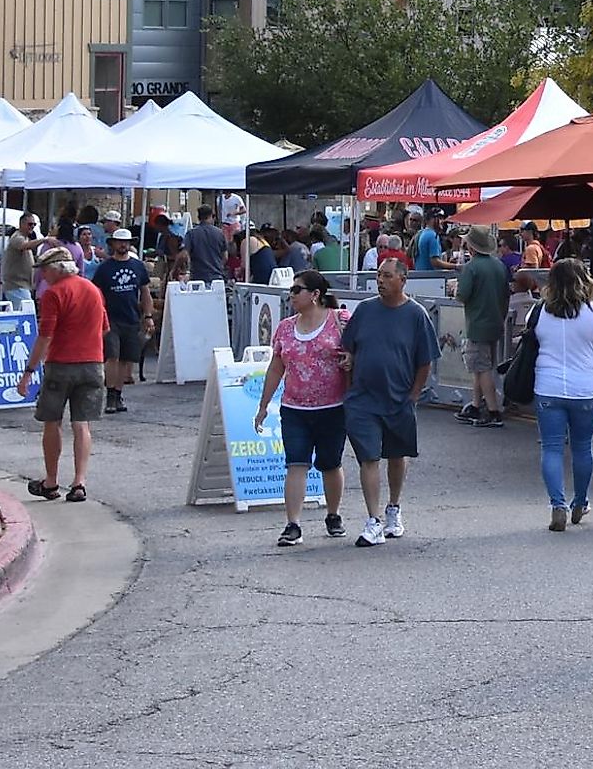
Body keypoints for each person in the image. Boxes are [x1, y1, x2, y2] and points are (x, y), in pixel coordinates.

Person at [338, 252, 437, 546]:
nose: (380, 281)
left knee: (396, 455)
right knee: (368, 457)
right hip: (363, 399)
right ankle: (373, 520)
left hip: (398, 398)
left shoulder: (416, 314)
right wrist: (348, 366)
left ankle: (394, 508)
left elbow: (425, 360)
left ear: (402, 280)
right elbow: (350, 348)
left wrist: (414, 395)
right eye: (378, 275)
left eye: (387, 276)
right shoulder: (366, 310)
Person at [253, 270, 349, 546]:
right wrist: (263, 406)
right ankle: (293, 523)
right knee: (296, 463)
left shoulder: (340, 320)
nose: (291, 295)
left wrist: (350, 361)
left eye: (297, 290)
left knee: (330, 463)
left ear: (315, 295)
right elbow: (276, 367)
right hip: (294, 407)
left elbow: (357, 351)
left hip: (332, 406)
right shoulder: (285, 327)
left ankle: (333, 514)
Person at [531, 257, 593, 531]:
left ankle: (557, 504)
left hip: (548, 386)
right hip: (585, 388)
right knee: (582, 447)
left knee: (552, 447)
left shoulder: (541, 310)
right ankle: (580, 500)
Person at [23, 246, 108, 501]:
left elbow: (45, 336)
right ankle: (79, 482)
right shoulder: (93, 289)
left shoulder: (54, 294)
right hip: (93, 364)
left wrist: (28, 371)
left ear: (56, 269)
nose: (42, 276)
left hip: (61, 365)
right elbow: (104, 328)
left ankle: (51, 481)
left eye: (44, 271)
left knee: (52, 421)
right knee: (82, 423)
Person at [88, 227, 151, 413]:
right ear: (113, 244)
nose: (123, 245)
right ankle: (110, 396)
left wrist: (148, 315)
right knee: (112, 357)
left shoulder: (138, 266)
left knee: (125, 358)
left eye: (126, 242)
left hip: (131, 317)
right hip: (110, 319)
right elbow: (96, 293)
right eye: (120, 241)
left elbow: (145, 292)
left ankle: (118, 393)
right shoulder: (105, 268)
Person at [456, 225, 510, 429]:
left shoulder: (472, 267)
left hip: (477, 323)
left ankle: (493, 411)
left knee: (482, 368)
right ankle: (476, 405)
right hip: (496, 321)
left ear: (471, 246)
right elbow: (506, 293)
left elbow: (462, 295)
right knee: (482, 367)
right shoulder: (499, 265)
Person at [1, 213, 43, 308]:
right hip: (16, 286)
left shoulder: (26, 238)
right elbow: (24, 246)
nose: (32, 226)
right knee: (27, 311)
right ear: (21, 224)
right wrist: (44, 240)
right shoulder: (17, 237)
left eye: (34, 224)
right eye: (30, 224)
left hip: (23, 286)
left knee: (18, 314)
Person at [183, 214, 230, 292]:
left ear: (198, 218)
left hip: (197, 278)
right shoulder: (219, 233)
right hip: (216, 278)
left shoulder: (191, 233)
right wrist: (218, 266)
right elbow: (225, 257)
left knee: (198, 303)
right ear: (211, 217)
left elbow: (184, 254)